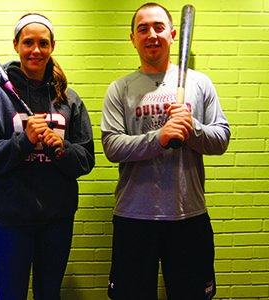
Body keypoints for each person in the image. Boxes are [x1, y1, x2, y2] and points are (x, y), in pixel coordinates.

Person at [100, 2, 230, 299]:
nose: (151, 34)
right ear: (133, 38)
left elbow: (221, 139)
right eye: (142, 28)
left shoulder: (200, 84)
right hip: (134, 217)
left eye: (159, 27)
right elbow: (112, 146)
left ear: (173, 34)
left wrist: (191, 127)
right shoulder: (119, 89)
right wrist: (159, 137)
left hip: (188, 215)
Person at [0, 13, 95, 300]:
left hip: (57, 221)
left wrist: (61, 149)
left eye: (43, 43)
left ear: (52, 46)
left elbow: (86, 159)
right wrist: (23, 142)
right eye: (28, 42)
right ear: (16, 45)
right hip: (11, 221)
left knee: (49, 295)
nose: (36, 50)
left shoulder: (69, 99)